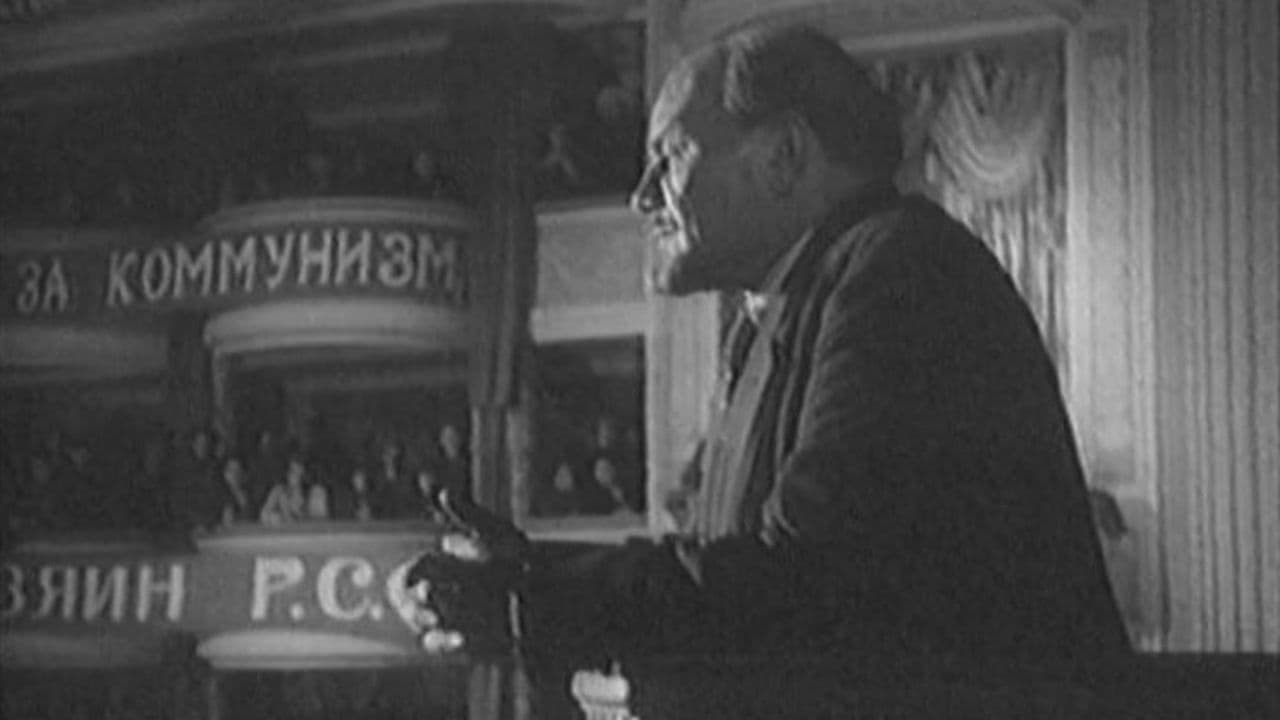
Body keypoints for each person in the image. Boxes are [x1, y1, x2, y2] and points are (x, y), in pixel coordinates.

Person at [411, 25, 1126, 668]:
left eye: (669, 156)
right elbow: (730, 571)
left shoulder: (903, 274)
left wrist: (528, 596)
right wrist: (527, 570)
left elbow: (802, 585)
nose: (642, 196)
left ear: (784, 155)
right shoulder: (792, 307)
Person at [259, 455, 310, 525]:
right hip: (277, 520)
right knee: (281, 496)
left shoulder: (304, 491)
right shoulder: (279, 489)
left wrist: (297, 512)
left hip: (293, 522)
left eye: (297, 472)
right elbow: (265, 513)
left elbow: (302, 513)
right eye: (292, 471)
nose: (293, 475)